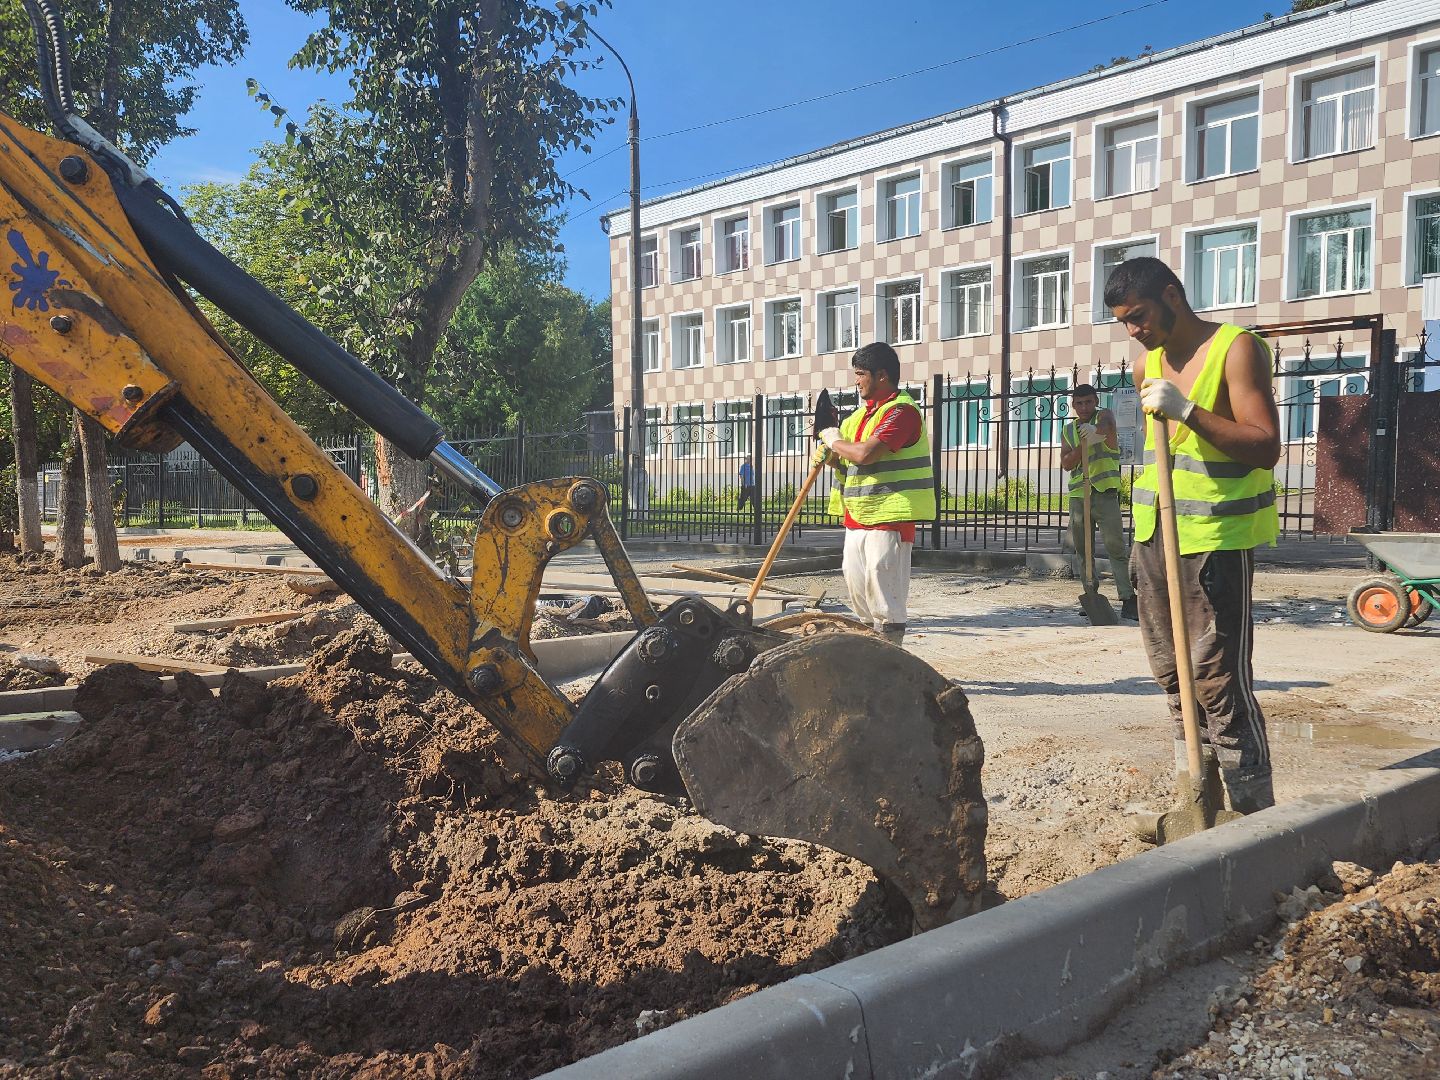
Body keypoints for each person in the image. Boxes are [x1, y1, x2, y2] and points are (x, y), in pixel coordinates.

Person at [1106, 256, 1281, 815]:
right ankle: (1195, 798)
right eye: (1124, 324)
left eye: (1140, 317)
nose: (1135, 332)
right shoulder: (1146, 367)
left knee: (1217, 678)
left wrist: (1188, 411)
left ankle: (1253, 807)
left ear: (1173, 295)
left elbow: (1264, 445)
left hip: (1216, 538)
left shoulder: (1237, 349)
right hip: (1155, 533)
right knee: (1171, 672)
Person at [813, 342, 935, 646]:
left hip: (891, 518)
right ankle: (869, 657)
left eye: (860, 374)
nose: (856, 381)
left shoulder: (903, 412)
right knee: (860, 596)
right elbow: (847, 461)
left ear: (881, 375)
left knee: (885, 597)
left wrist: (832, 439)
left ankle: (889, 660)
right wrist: (831, 456)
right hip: (857, 518)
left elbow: (866, 454)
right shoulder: (857, 418)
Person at [1060, 384, 1138, 621]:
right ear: (1073, 405)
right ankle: (1091, 595)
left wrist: (1094, 433)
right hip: (1079, 497)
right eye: (1079, 403)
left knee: (1115, 546)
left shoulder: (1104, 417)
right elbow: (1066, 462)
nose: (1084, 407)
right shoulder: (1068, 430)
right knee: (1084, 550)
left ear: (1096, 401)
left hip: (1105, 494)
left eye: (1089, 402)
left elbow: (1107, 426)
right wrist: (1082, 447)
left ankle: (1128, 598)